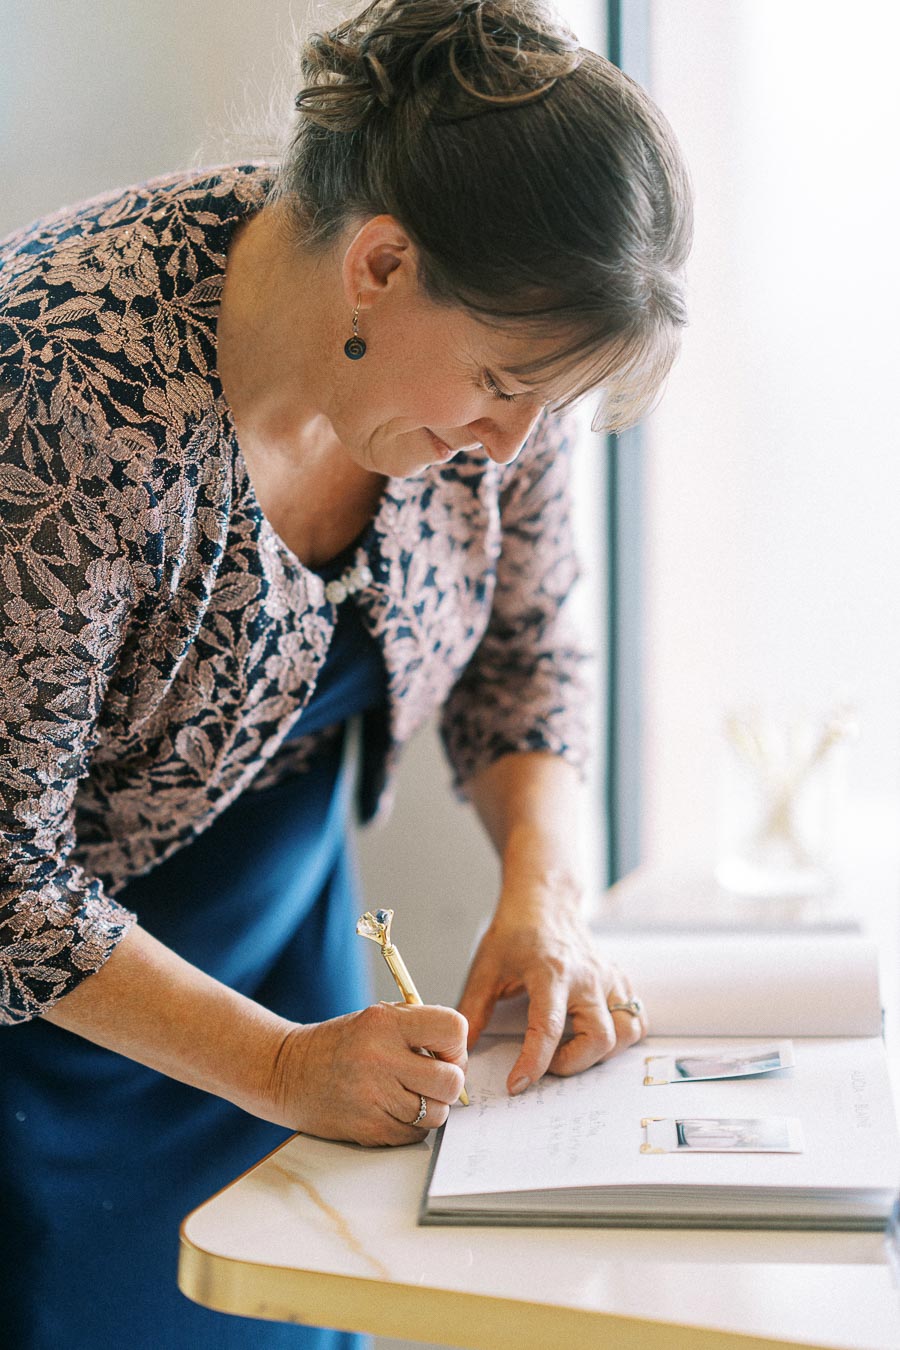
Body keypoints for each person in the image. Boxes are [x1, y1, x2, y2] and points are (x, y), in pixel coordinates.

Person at [0, 1, 691, 1346]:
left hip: (291, 941)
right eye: (501, 388)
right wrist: (271, 1061)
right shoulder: (56, 387)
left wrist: (544, 895)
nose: (512, 444)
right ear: (381, 262)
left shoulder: (505, 346)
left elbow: (528, 662)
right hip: (52, 1032)